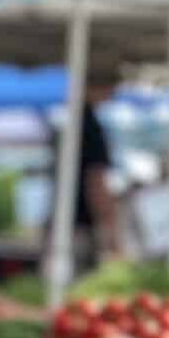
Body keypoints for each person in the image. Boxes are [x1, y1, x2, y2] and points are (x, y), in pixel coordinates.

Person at [51, 69, 120, 270]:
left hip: (64, 221)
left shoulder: (71, 121)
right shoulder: (90, 126)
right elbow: (95, 179)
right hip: (81, 226)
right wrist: (108, 227)